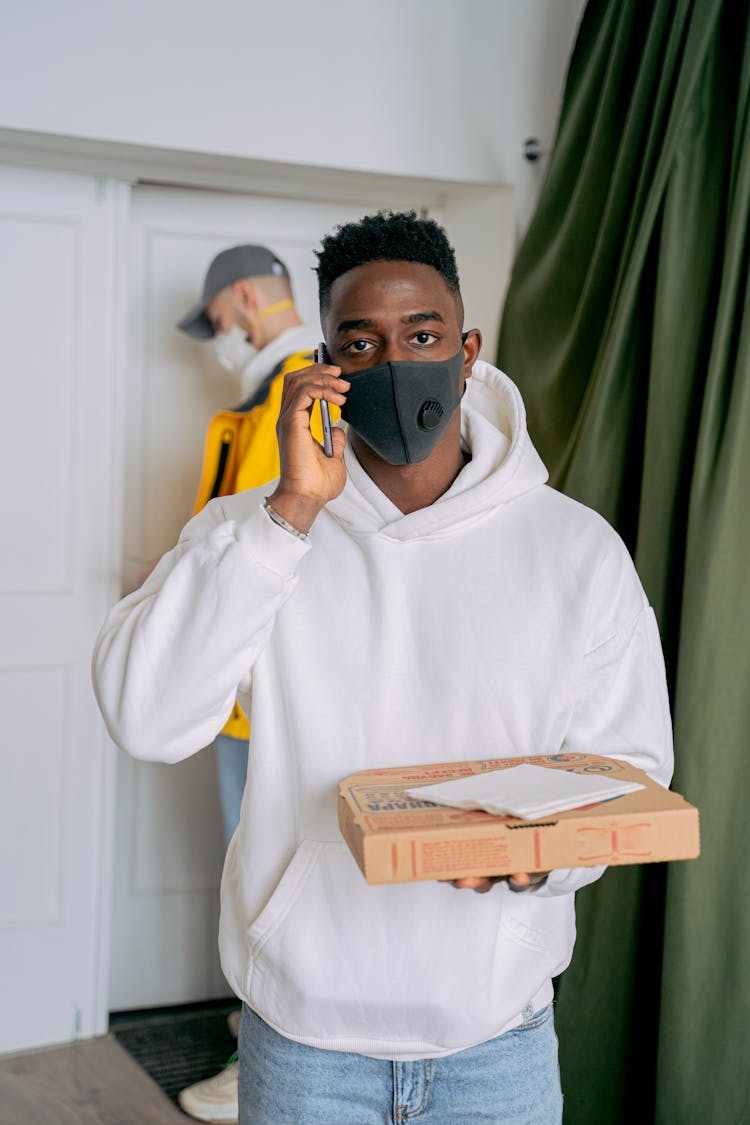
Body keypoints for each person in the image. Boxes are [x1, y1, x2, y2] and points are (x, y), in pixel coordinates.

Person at [93, 211, 673, 1123]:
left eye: (424, 335)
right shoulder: (254, 530)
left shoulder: (577, 550)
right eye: (361, 343)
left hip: (499, 1043)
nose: (396, 363)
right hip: (304, 1047)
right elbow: (147, 718)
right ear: (325, 364)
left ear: (469, 349)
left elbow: (629, 765)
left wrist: (541, 861)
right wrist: (289, 514)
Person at [173, 244, 323, 1123]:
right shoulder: (266, 398)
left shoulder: (303, 390)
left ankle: (259, 1063)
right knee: (253, 873)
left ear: (241, 297)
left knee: (271, 878)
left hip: (276, 690)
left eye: (218, 321)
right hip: (238, 683)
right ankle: (255, 1039)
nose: (218, 337)